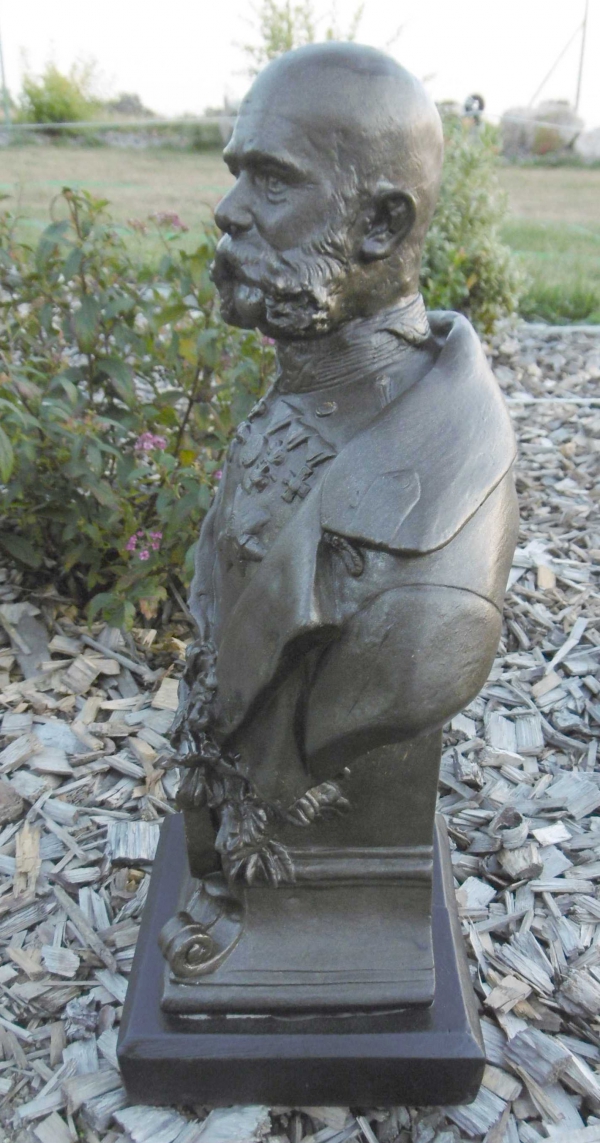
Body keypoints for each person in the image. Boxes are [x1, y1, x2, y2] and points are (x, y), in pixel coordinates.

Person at [166, 42, 518, 1010]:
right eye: (237, 172)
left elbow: (399, 668)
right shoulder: (314, 386)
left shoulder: (435, 575)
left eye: (273, 181)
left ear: (380, 224)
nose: (228, 209)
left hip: (318, 874)